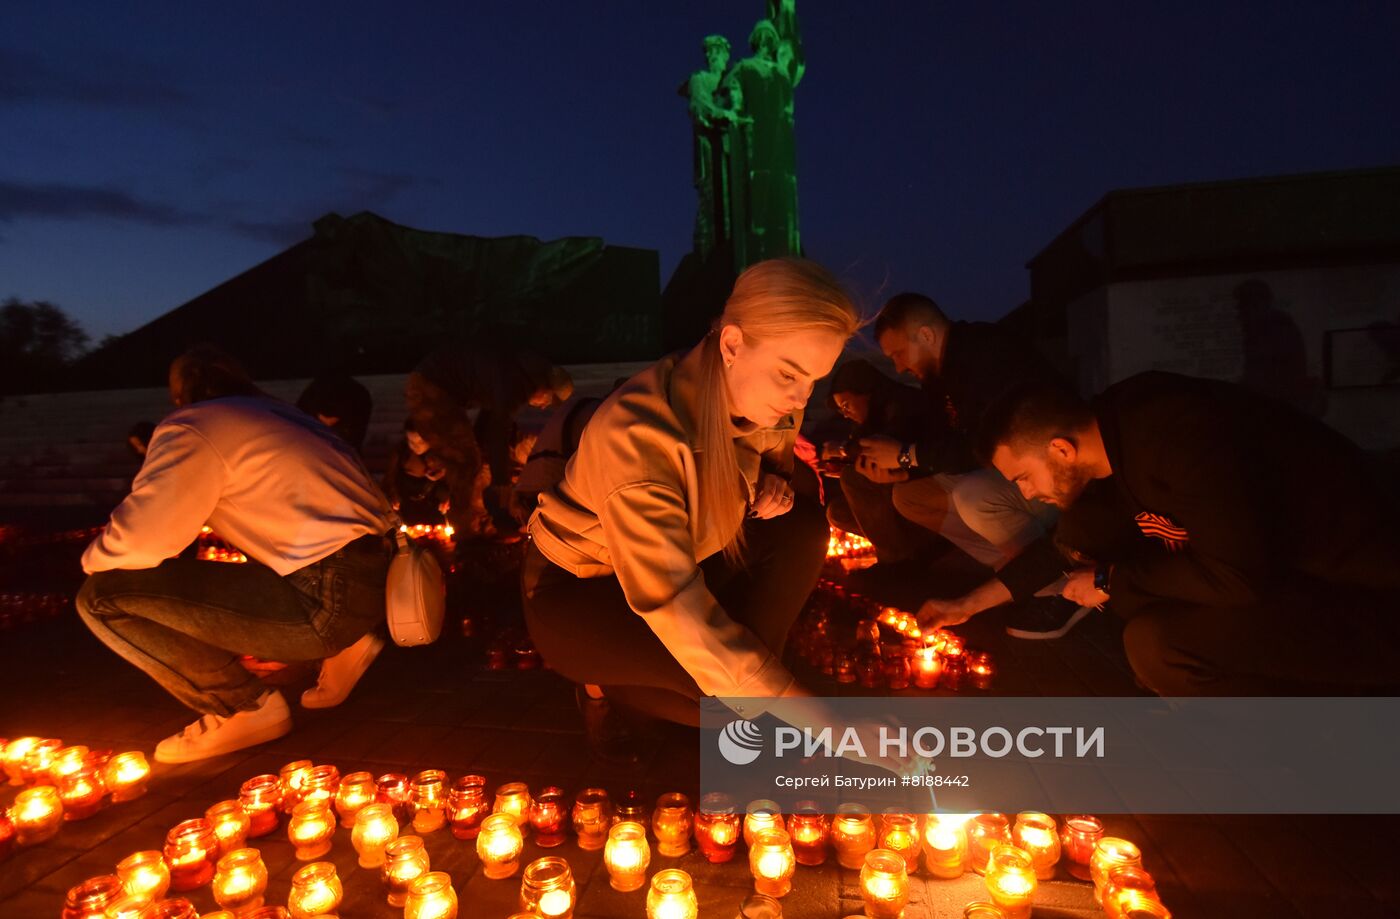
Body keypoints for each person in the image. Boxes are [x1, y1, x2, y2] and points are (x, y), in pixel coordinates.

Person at [523, 258, 895, 763]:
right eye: (788, 374)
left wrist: (775, 482)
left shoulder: (770, 392)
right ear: (733, 344)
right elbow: (675, 603)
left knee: (803, 529)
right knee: (725, 703)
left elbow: (773, 457)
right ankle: (604, 686)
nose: (797, 400)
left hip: (689, 553)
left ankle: (750, 685)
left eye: (814, 381)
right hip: (581, 586)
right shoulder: (640, 437)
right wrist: (831, 728)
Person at [920, 371, 1400, 695]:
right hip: (1276, 580)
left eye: (1023, 477)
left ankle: (1293, 745)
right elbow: (1061, 550)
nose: (1025, 494)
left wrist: (1109, 579)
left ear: (1061, 450)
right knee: (1135, 608)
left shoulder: (1177, 434)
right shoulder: (1101, 460)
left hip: (1359, 590)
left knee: (1156, 642)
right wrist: (963, 606)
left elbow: (1239, 577)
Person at [76, 347, 394, 762]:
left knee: (100, 597)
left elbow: (143, 539)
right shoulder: (281, 415)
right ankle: (342, 646)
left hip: (326, 599)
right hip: (376, 581)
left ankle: (242, 708)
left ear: (178, 396)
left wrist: (89, 562)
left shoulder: (193, 426)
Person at [861, 293, 1059, 571]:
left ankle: (1050, 581)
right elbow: (941, 441)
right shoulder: (937, 377)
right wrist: (904, 469)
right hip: (994, 469)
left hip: (1045, 475)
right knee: (908, 496)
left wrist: (906, 456)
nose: (899, 367)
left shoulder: (985, 354)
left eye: (899, 353)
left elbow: (981, 446)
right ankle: (1011, 571)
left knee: (972, 495)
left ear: (926, 335)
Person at [405, 344, 574, 537]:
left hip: (432, 386)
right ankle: (466, 534)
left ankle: (467, 526)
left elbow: (489, 421)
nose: (544, 407)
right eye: (549, 400)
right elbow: (498, 432)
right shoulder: (513, 384)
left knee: (465, 458)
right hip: (431, 389)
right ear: (544, 386)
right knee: (465, 462)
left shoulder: (513, 373)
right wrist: (500, 481)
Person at [821, 359, 938, 565]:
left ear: (866, 391)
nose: (846, 414)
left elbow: (875, 448)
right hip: (900, 490)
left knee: (852, 478)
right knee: (837, 512)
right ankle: (917, 548)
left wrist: (840, 450)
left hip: (929, 481)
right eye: (842, 411)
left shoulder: (902, 403)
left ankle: (896, 562)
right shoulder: (871, 419)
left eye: (847, 405)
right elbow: (859, 444)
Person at [296, 373, 373, 453]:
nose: (328, 424)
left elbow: (356, 442)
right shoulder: (308, 401)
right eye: (322, 421)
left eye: (332, 421)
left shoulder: (360, 402)